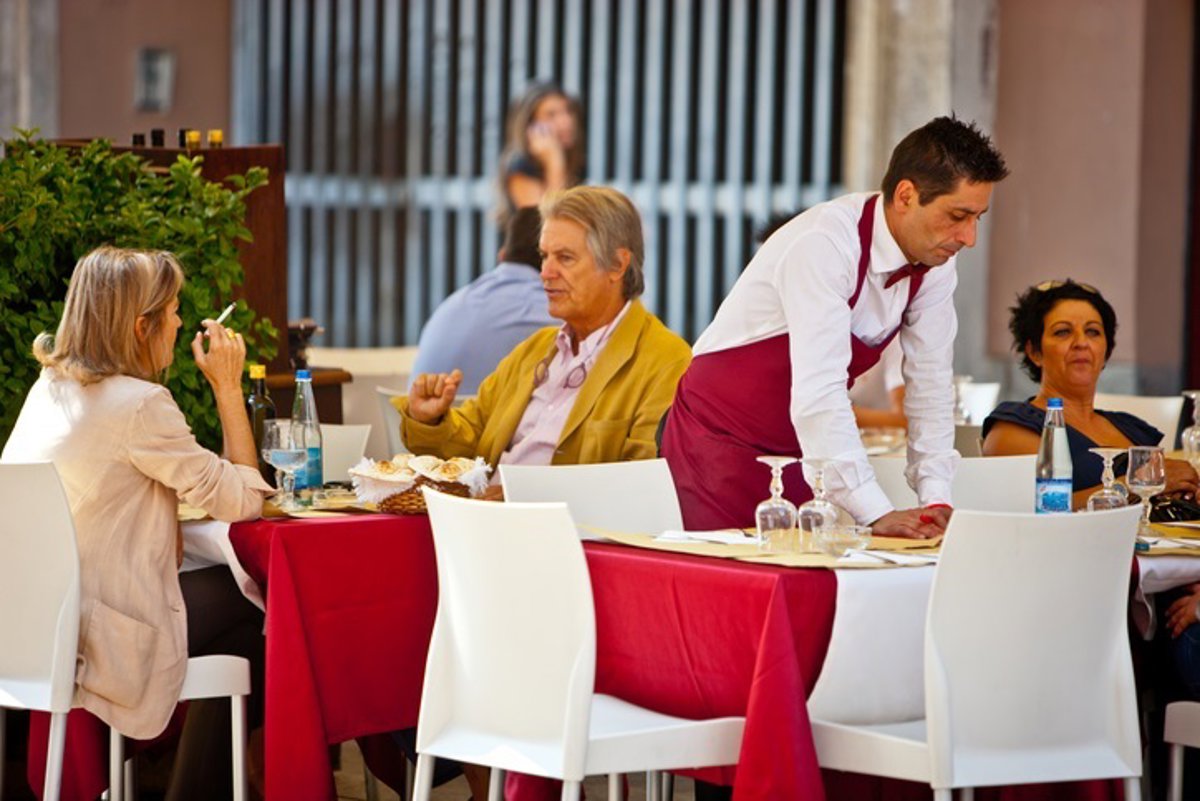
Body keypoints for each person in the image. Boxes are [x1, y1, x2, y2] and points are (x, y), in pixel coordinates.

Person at [1, 246, 272, 800]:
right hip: (99, 639)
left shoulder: (48, 388)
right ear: (140, 326)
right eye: (172, 311)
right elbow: (245, 500)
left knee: (245, 625)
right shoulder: (140, 404)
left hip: (37, 630)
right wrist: (227, 386)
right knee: (264, 606)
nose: (180, 322)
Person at [661, 116, 1009, 537]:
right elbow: (820, 391)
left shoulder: (936, 262)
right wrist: (874, 512)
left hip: (802, 451)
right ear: (906, 195)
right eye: (957, 215)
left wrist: (935, 498)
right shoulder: (824, 244)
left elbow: (931, 384)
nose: (969, 238)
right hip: (717, 444)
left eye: (977, 218)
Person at [398, 185, 690, 479]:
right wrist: (430, 420)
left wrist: (515, 496)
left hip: (543, 510)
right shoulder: (536, 347)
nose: (545, 273)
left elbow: (640, 483)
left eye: (565, 258)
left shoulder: (666, 360)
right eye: (544, 256)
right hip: (484, 504)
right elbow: (473, 433)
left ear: (617, 264)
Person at [980, 279, 1198, 505]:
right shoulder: (1013, 429)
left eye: (1093, 332)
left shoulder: (1130, 427)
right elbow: (1036, 510)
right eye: (1063, 332)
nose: (1081, 343)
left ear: (1106, 351)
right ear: (1034, 352)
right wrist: (1135, 485)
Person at [409, 207, 556, 395]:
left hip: (410, 413)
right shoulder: (548, 311)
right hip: (472, 414)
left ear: (502, 255)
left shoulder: (455, 301)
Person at [498, 82, 584, 229]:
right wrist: (554, 162)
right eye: (551, 115)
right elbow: (542, 225)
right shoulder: (520, 165)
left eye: (568, 111)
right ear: (531, 126)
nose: (566, 121)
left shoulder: (574, 159)